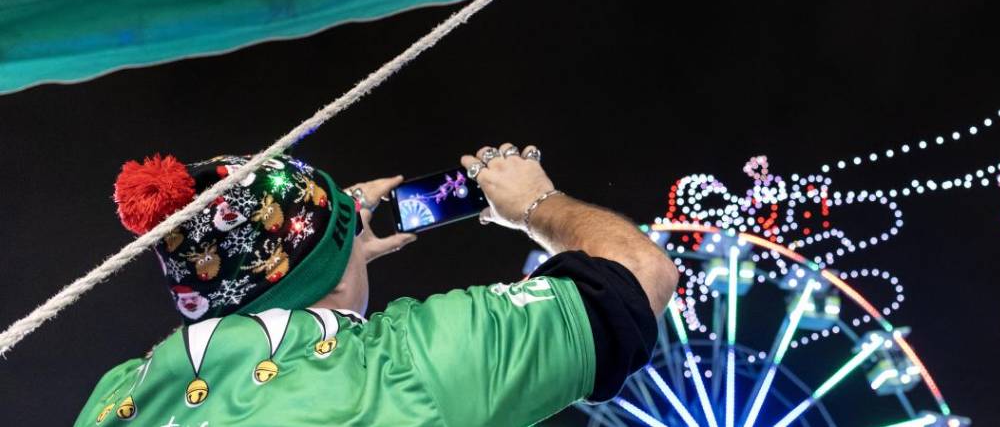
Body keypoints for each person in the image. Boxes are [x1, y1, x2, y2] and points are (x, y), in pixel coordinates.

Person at [76, 143, 679, 426]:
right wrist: (534, 203)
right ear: (336, 265)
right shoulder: (404, 363)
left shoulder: (115, 395)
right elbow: (640, 276)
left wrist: (332, 252)